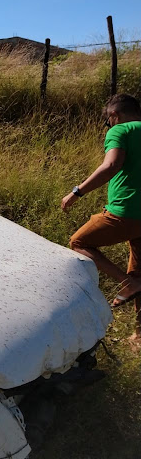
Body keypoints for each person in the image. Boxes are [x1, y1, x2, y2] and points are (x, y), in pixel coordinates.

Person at [61, 93, 141, 347]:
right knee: (140, 272)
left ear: (114, 116)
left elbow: (111, 165)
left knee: (79, 242)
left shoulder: (120, 131)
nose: (109, 125)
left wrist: (77, 192)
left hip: (125, 211)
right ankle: (139, 336)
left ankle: (127, 283)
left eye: (109, 120)